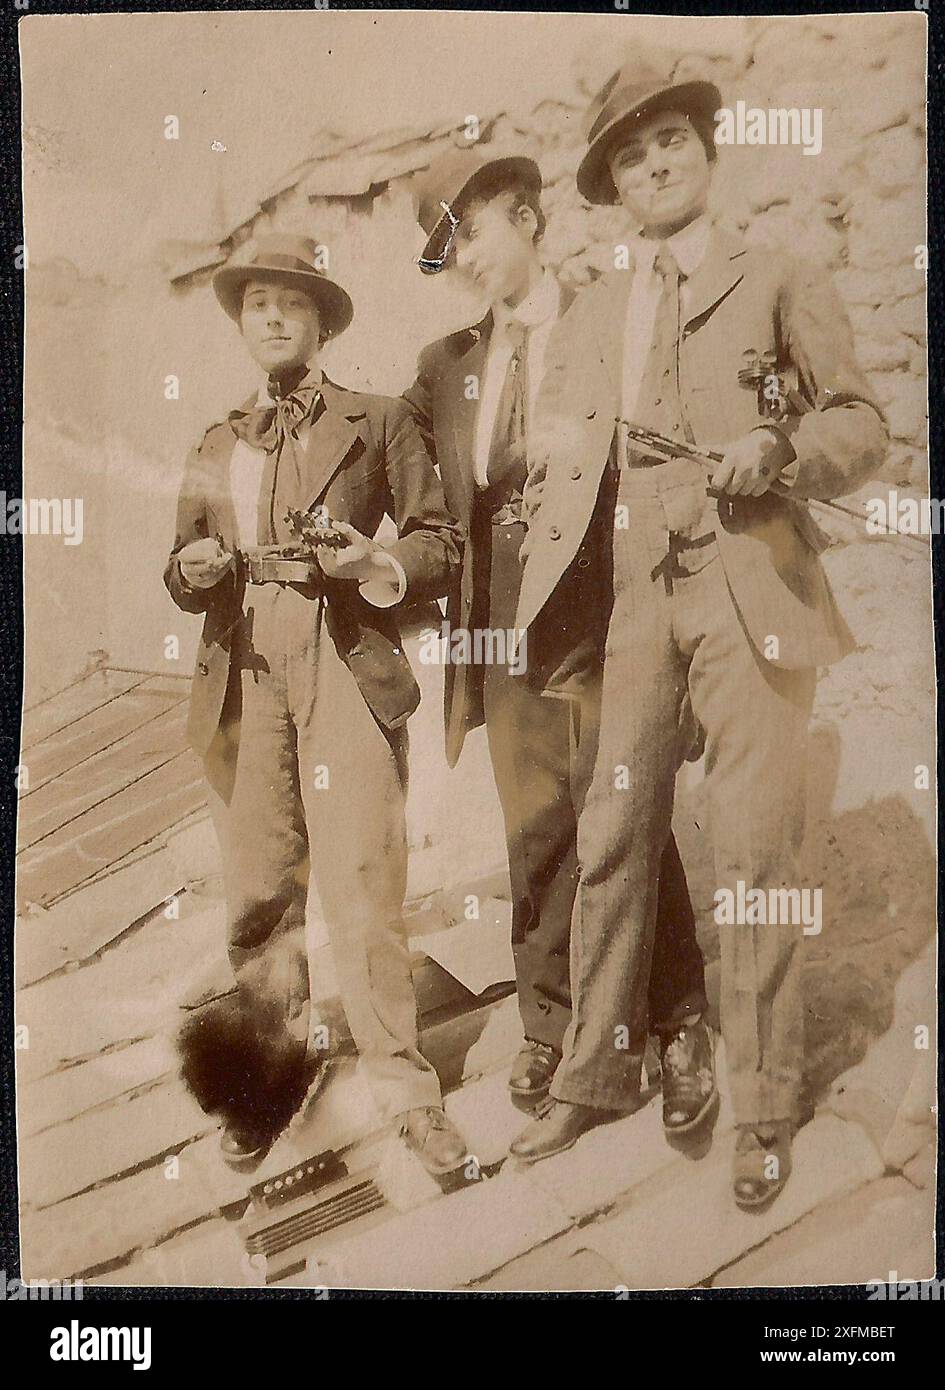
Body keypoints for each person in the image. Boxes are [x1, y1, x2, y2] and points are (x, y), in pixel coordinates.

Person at [509, 64, 887, 1206]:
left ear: (706, 151)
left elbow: (861, 421)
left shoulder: (776, 275)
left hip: (751, 592)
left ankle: (766, 1102)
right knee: (614, 829)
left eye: (671, 141)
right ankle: (596, 1068)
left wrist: (784, 452)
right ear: (614, 185)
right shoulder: (593, 315)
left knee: (756, 855)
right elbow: (561, 456)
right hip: (636, 605)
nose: (656, 165)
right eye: (632, 155)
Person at [405, 150, 710, 1124]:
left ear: (529, 217)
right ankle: (552, 1023)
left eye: (476, 231)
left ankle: (676, 1021)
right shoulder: (447, 366)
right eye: (450, 249)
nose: (466, 259)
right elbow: (409, 486)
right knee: (534, 828)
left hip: (597, 605)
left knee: (621, 812)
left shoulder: (610, 315)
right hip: (497, 625)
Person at [166, 234, 469, 1175]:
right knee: (259, 892)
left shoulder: (376, 421)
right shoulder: (215, 441)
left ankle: (408, 1091)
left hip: (341, 659)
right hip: (244, 670)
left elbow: (441, 541)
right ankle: (265, 1082)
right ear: (241, 322)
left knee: (364, 884)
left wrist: (368, 562)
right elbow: (175, 572)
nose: (270, 318)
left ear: (320, 322)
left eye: (290, 304)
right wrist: (193, 567)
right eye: (256, 303)